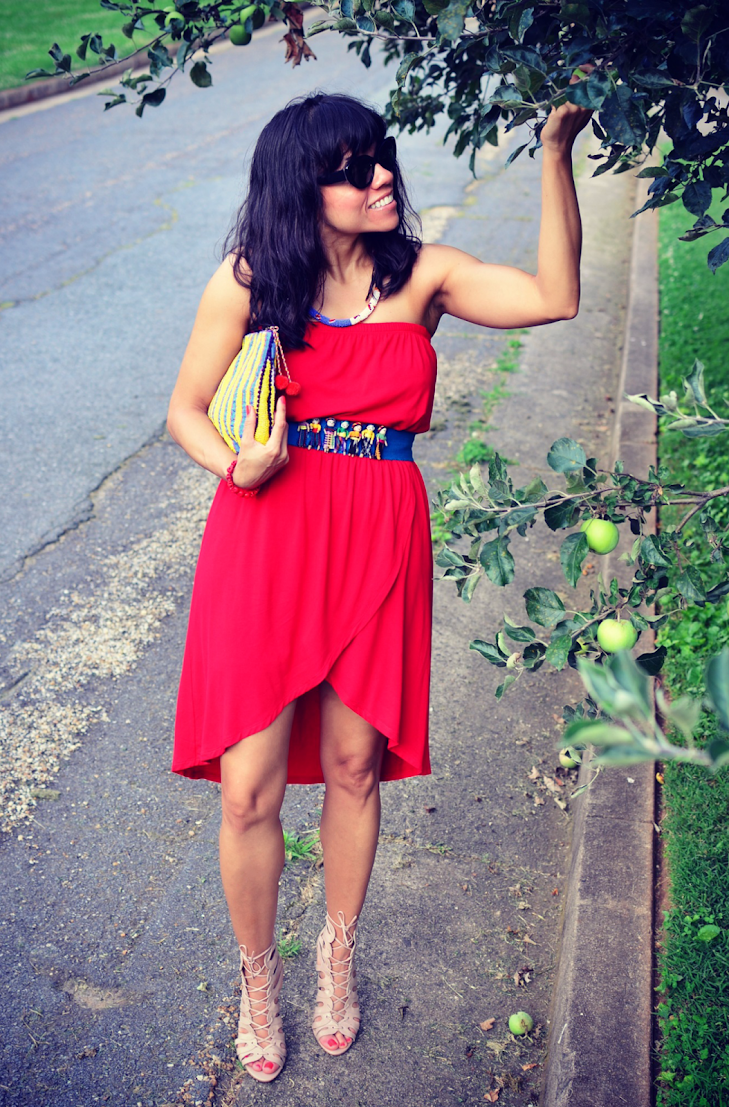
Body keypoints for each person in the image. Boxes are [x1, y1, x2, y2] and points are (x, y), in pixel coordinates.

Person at [166, 89, 590, 1084]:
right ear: (303, 189)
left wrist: (552, 153)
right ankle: (259, 975)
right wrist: (237, 465)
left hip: (377, 533)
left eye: (383, 159)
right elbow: (186, 409)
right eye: (355, 170)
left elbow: (554, 297)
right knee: (247, 788)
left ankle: (336, 956)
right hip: (266, 535)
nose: (381, 177)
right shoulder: (250, 280)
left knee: (357, 765)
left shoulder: (424, 275)